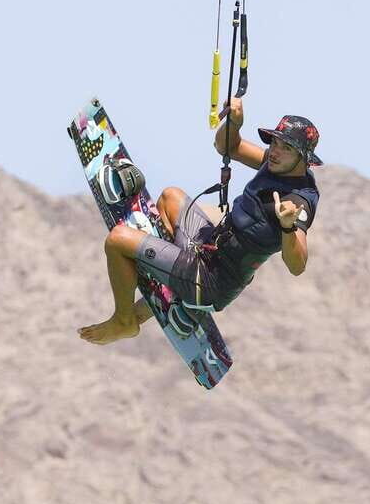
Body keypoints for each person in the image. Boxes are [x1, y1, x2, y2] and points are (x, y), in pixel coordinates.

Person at [78, 97, 322, 345]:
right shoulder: (276, 164)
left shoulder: (299, 201)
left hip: (210, 283)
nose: (276, 151)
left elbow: (297, 265)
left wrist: (288, 225)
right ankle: (169, 276)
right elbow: (228, 146)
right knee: (170, 197)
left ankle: (125, 321)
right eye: (276, 142)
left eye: (287, 148)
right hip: (207, 248)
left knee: (117, 240)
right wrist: (233, 124)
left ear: (304, 158)